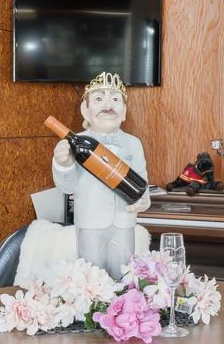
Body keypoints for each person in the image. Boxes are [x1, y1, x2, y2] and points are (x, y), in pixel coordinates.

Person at [52, 72, 150, 279]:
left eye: (115, 99)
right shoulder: (73, 144)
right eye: (98, 99)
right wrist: (63, 165)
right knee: (92, 280)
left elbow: (142, 183)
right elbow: (66, 188)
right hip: (90, 224)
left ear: (124, 112)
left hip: (124, 223)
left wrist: (143, 200)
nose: (108, 105)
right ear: (85, 111)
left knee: (125, 277)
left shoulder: (134, 143)